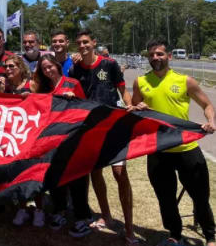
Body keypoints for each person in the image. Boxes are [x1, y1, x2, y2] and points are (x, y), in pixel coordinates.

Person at [130, 38, 215, 246]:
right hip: (158, 150)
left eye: (159, 54)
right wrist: (136, 106)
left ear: (169, 56)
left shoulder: (185, 80)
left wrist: (211, 120)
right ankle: (175, 235)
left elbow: (206, 104)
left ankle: (210, 235)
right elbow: (133, 106)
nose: (155, 58)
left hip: (186, 148)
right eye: (151, 54)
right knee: (166, 198)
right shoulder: (140, 82)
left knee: (200, 197)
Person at [70, 29, 137, 243]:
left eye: (86, 42)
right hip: (89, 130)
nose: (83, 46)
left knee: (119, 173)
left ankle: (129, 228)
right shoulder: (75, 70)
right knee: (96, 174)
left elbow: (122, 90)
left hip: (113, 128)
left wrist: (130, 105)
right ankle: (106, 216)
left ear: (94, 42)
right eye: (79, 43)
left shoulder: (110, 65)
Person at [31, 54, 87, 233]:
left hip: (73, 139)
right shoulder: (43, 89)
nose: (48, 70)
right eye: (44, 68)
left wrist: (74, 99)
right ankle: (59, 211)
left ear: (57, 65)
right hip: (52, 140)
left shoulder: (72, 83)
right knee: (55, 178)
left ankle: (81, 218)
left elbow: (86, 108)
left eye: (50, 67)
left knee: (77, 178)